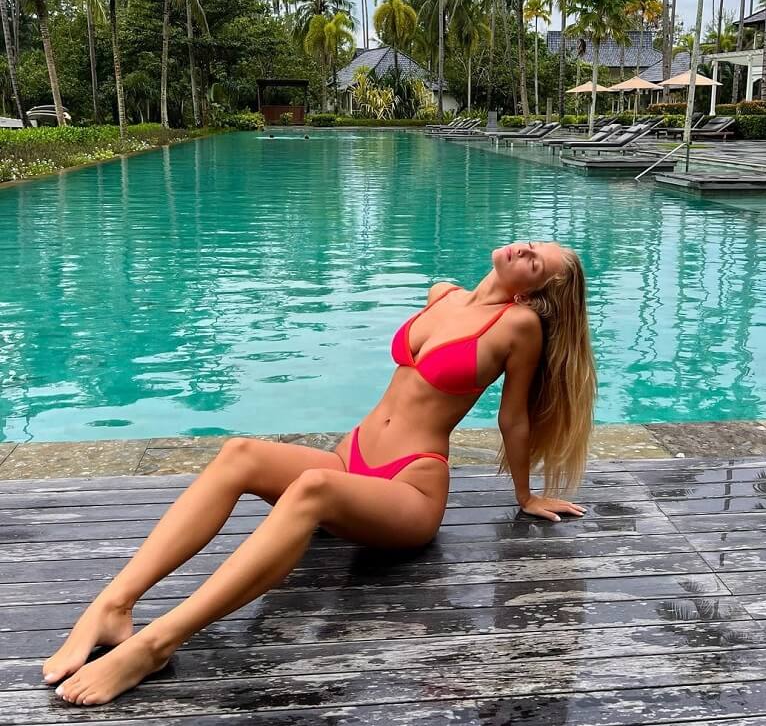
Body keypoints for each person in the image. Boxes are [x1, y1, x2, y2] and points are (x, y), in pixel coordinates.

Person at [43, 240, 596, 705]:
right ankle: (113, 606)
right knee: (239, 452)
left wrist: (526, 495)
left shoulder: (519, 324)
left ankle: (156, 645)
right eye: (531, 244)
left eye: (536, 263)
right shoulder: (443, 295)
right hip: (350, 459)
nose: (524, 251)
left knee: (313, 488)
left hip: (409, 486)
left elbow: (513, 418)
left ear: (534, 291)